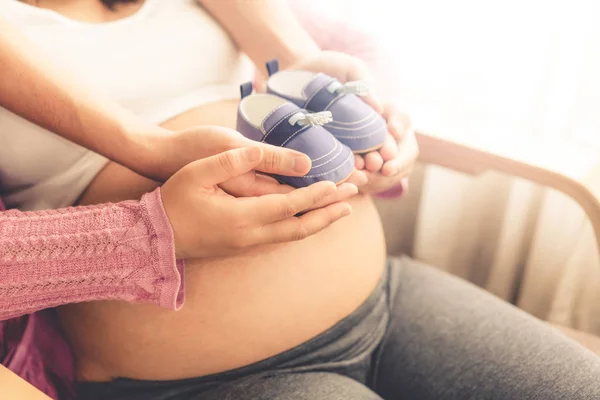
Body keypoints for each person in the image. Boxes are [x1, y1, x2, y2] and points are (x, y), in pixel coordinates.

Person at [3, 1, 600, 399]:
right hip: (211, 382)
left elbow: (340, 45)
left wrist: (371, 109)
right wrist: (149, 235)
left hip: (387, 302)